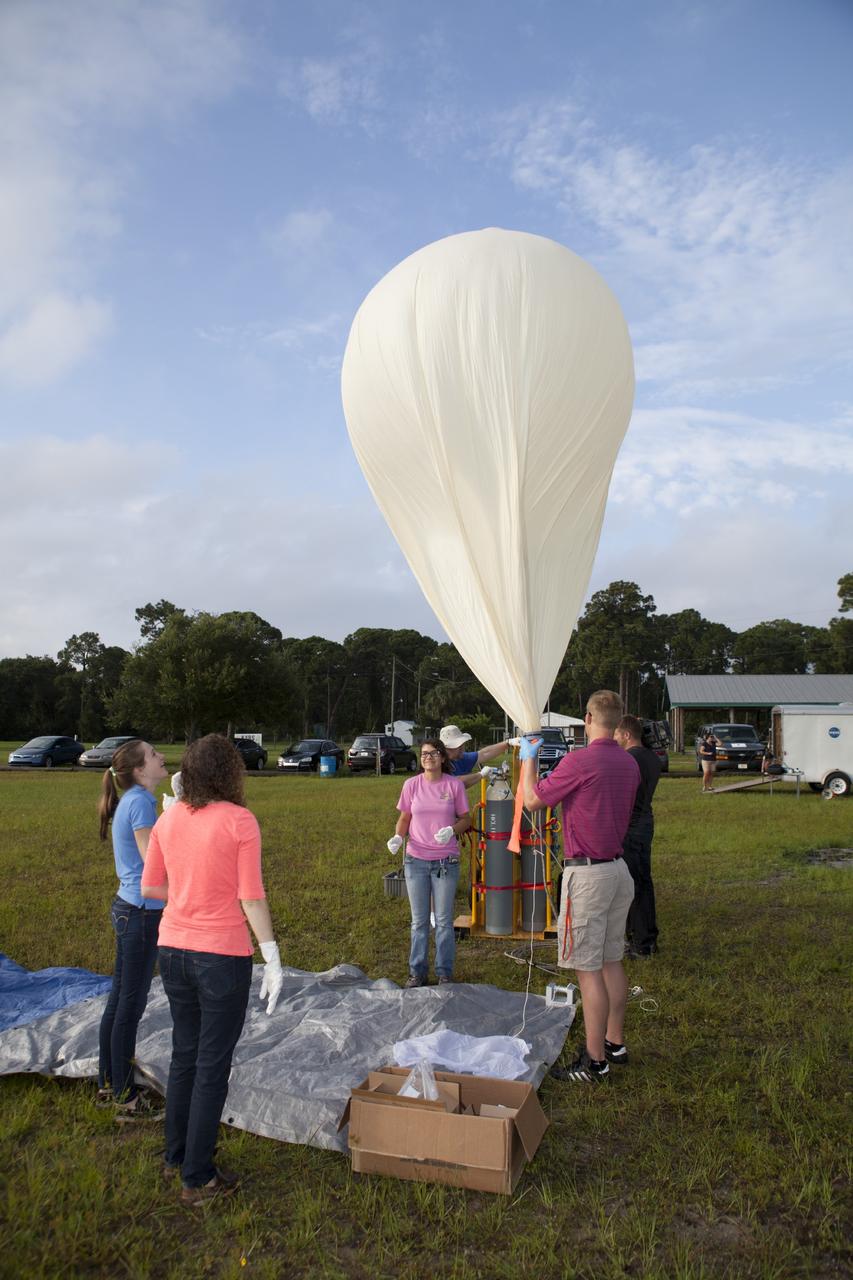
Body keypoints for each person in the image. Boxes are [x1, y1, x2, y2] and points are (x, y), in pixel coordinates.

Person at [141, 734, 283, 1207]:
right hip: (220, 955)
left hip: (173, 950)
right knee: (210, 1066)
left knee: (184, 1055)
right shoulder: (240, 820)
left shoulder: (168, 819)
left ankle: (175, 1155)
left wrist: (188, 889)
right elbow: (251, 896)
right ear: (230, 772)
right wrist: (272, 953)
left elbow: (151, 886)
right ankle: (197, 1176)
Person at [521, 691, 640, 1085]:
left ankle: (594, 1061)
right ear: (619, 722)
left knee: (588, 972)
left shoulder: (580, 760)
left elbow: (533, 800)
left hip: (587, 876)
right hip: (618, 871)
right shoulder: (629, 762)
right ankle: (614, 1042)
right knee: (611, 961)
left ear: (588, 718)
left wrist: (528, 756)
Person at [97, 739, 169, 1119]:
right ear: (140, 770)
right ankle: (125, 1096)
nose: (161, 757)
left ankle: (108, 1080)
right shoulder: (140, 802)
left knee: (119, 999)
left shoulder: (136, 800)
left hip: (129, 908)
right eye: (154, 754)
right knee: (129, 1005)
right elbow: (152, 863)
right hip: (141, 914)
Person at [387, 738, 471, 987]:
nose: (428, 757)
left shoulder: (454, 785)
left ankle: (444, 972)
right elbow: (405, 817)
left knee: (444, 921)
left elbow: (466, 819)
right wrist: (397, 837)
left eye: (434, 753)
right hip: (416, 861)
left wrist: (452, 830)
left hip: (446, 861)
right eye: (424, 753)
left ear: (443, 758)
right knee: (419, 921)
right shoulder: (411, 785)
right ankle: (417, 972)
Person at [614, 715, 661, 958]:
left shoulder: (631, 759)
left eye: (616, 735)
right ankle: (641, 938)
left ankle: (643, 943)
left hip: (632, 826)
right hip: (644, 821)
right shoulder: (650, 757)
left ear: (626, 735)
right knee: (641, 881)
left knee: (635, 885)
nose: (614, 739)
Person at [439, 724, 514, 787]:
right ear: (447, 748)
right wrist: (481, 774)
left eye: (462, 745)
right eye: (459, 746)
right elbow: (456, 783)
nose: (462, 748)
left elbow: (484, 754)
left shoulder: (458, 758)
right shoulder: (437, 764)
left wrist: (508, 743)